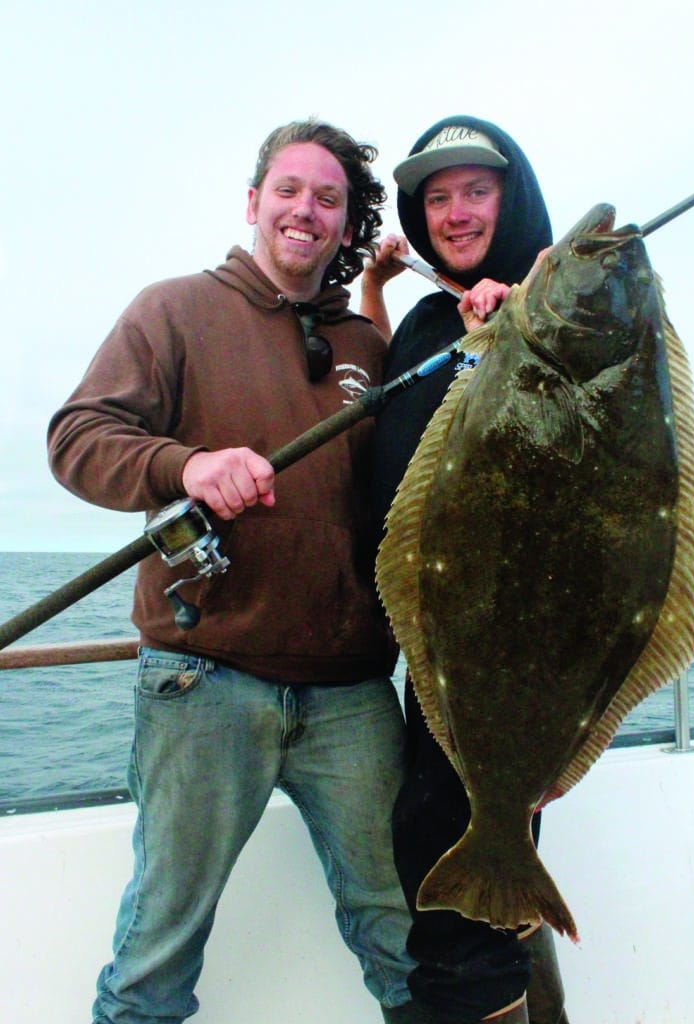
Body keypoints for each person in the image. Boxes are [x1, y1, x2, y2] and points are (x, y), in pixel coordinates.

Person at [47, 119, 417, 1024]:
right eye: (288, 190)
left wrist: (386, 291)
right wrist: (188, 466)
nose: (306, 210)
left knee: (405, 936)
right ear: (253, 203)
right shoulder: (172, 309)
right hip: (204, 678)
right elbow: (79, 437)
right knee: (157, 951)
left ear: (343, 224)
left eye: (328, 199)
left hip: (354, 693)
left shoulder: (366, 345)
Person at [361, 116, 570, 1024]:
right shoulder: (429, 315)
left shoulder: (543, 318)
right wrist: (376, 286)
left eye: (475, 190)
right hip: (438, 640)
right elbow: (387, 399)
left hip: (503, 648)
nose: (454, 212)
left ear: (510, 195)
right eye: (436, 196)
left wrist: (511, 336)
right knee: (496, 901)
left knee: (450, 917)